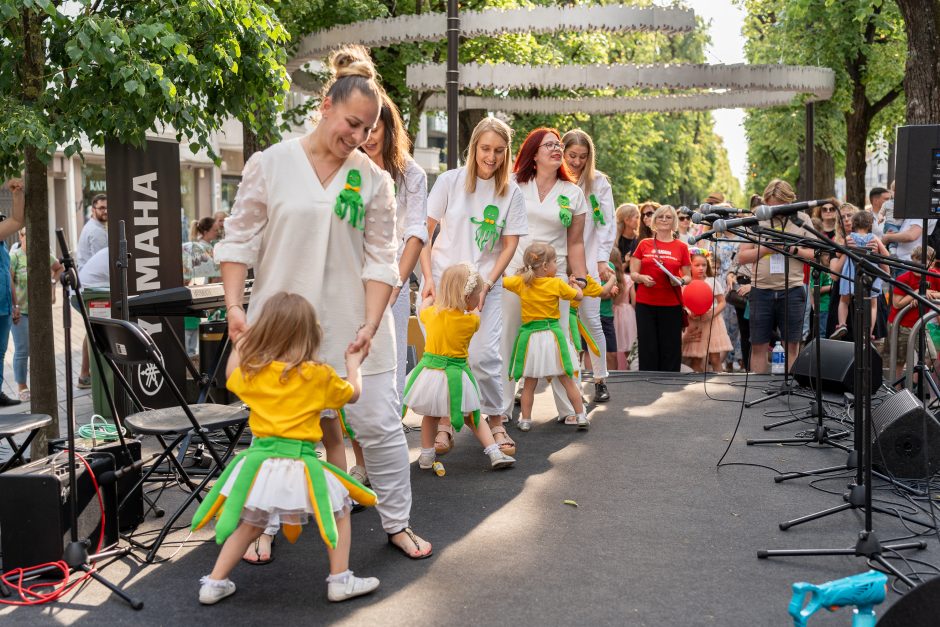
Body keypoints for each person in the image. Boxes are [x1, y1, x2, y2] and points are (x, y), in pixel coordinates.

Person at [215, 45, 431, 561]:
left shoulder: (376, 180)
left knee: (378, 425)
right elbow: (239, 239)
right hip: (281, 324)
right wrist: (233, 306)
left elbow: (381, 258)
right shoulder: (270, 163)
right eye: (352, 124)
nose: (357, 138)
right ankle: (262, 526)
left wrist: (373, 323)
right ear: (326, 107)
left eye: (367, 131)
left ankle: (397, 522)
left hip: (351, 324)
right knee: (278, 431)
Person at [191, 292, 379, 605]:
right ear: (311, 334)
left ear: (265, 332)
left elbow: (229, 377)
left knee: (251, 523)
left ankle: (213, 582)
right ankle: (340, 579)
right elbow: (354, 394)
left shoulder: (255, 372)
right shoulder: (319, 376)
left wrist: (240, 342)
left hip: (262, 466)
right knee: (340, 511)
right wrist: (353, 363)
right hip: (300, 465)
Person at [422, 117, 526, 458]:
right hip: (444, 282)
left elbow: (509, 244)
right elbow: (423, 233)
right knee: (443, 355)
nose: (491, 157)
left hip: (484, 282)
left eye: (498, 151)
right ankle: (443, 423)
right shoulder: (450, 181)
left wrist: (487, 285)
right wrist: (427, 279)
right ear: (473, 148)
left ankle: (495, 419)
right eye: (485, 149)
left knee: (484, 355)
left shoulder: (511, 191)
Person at [357, 92, 428, 483]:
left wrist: (399, 282)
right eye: (362, 128)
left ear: (389, 127)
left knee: (388, 367)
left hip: (393, 282)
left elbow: (416, 230)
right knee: (351, 368)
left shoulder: (411, 174)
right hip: (351, 281)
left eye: (375, 128)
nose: (368, 136)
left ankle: (386, 454)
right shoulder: (348, 168)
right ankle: (360, 463)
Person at [502, 127, 589, 431]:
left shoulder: (573, 193)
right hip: (517, 273)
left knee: (560, 338)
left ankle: (568, 407)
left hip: (555, 275)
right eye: (549, 144)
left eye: (558, 145)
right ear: (533, 153)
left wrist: (579, 278)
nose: (556, 148)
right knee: (509, 336)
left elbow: (575, 242)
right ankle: (501, 407)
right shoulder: (513, 185)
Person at [405, 263, 516, 470]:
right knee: (473, 416)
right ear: (467, 298)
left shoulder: (432, 316)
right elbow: (476, 315)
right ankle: (494, 452)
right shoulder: (470, 322)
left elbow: (422, 310)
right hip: (457, 376)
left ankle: (427, 456)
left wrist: (429, 298)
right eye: (476, 295)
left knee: (430, 417)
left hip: (432, 376)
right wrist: (473, 307)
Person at [504, 243, 588, 429]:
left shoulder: (521, 282)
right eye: (555, 262)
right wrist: (575, 285)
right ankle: (580, 415)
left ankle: (525, 420)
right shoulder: (556, 283)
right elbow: (579, 297)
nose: (557, 266)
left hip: (532, 340)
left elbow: (504, 281)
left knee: (529, 383)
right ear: (545, 266)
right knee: (567, 379)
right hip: (552, 338)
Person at [735, 180, 816, 373]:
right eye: (771, 206)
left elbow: (817, 254)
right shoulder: (757, 218)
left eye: (781, 206)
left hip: (793, 289)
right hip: (761, 291)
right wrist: (765, 248)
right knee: (758, 345)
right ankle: (757, 389)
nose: (775, 210)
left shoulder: (802, 218)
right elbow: (742, 256)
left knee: (792, 345)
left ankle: (790, 392)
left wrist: (793, 249)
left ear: (790, 201)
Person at [562, 129, 615, 402]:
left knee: (591, 321)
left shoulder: (598, 183)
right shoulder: (555, 180)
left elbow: (606, 223)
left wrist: (602, 258)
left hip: (589, 260)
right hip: (557, 261)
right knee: (557, 323)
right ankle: (566, 381)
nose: (576, 162)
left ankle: (600, 378)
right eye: (572, 155)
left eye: (582, 157)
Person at [629, 205, 692, 372]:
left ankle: (670, 383)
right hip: (645, 303)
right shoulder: (644, 244)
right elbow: (633, 273)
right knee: (648, 347)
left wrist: (680, 281)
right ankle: (648, 385)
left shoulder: (681, 247)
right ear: (655, 221)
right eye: (660, 216)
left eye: (668, 217)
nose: (664, 219)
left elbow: (688, 276)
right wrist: (641, 278)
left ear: (674, 222)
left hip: (671, 304)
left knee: (670, 348)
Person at [10, 228, 63, 401]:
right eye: (26, 235)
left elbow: (59, 268)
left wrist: (52, 285)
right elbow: (9, 281)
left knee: (40, 348)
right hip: (21, 311)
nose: (30, 238)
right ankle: (22, 387)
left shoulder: (43, 253)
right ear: (21, 236)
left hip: (40, 311)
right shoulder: (15, 257)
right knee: (22, 349)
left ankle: (42, 385)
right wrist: (14, 305)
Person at [829, 211, 889, 340]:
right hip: (869, 276)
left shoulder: (849, 238)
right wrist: (877, 251)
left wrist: (846, 248)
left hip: (851, 274)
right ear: (870, 224)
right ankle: (869, 331)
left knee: (844, 301)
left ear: (853, 224)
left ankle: (842, 324)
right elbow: (887, 256)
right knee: (873, 305)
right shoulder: (874, 238)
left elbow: (838, 254)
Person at [884, 245, 940, 382]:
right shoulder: (904, 278)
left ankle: (913, 382)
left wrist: (929, 294)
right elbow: (897, 303)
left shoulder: (933, 275)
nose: (919, 266)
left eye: (924, 262)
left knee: (930, 356)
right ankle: (896, 388)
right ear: (912, 259)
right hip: (900, 324)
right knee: (899, 360)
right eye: (916, 261)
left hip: (920, 323)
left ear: (931, 264)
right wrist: (916, 294)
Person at [75, 193, 108, 389]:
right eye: (101, 208)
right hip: (91, 289)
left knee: (92, 330)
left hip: (89, 287)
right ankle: (85, 374)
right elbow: (103, 261)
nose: (105, 211)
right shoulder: (96, 232)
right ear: (93, 209)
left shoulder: (96, 227)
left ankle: (85, 375)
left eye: (107, 208)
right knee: (93, 330)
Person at [682, 248, 733, 373]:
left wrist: (711, 314)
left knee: (715, 358)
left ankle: (720, 384)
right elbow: (683, 304)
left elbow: (722, 302)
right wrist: (689, 312)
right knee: (696, 358)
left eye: (704, 265)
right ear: (690, 266)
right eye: (697, 265)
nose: (701, 268)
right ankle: (697, 387)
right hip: (695, 324)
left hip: (713, 322)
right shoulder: (685, 284)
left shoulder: (712, 282)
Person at [0, 180, 27, 406]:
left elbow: (18, 220)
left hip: (4, 307)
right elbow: (17, 221)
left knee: (0, 353)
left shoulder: (2, 246)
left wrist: (15, 305)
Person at [183, 217, 222, 355]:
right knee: (189, 342)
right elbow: (211, 275)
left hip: (199, 294)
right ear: (206, 231)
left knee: (193, 343)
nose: (217, 233)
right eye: (215, 230)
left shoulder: (205, 247)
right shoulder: (201, 249)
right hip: (198, 293)